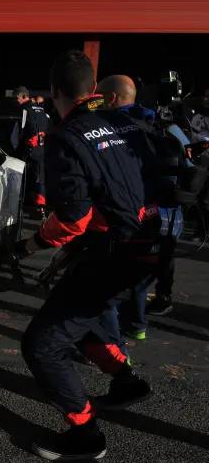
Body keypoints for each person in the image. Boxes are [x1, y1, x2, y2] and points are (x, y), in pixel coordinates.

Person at [0, 51, 164, 461]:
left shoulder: (66, 136)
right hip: (153, 244)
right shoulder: (124, 119)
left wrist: (25, 248)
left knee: (43, 344)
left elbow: (72, 219)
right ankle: (127, 381)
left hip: (116, 254)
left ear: (53, 91)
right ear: (93, 85)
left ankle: (86, 436)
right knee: (80, 317)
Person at [97, 75, 181, 323]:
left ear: (111, 98)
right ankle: (149, 312)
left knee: (115, 275)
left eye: (99, 97)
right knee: (152, 263)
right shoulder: (165, 125)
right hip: (169, 210)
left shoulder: (110, 125)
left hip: (132, 213)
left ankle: (114, 338)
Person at [14, 86, 51, 219]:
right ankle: (40, 208)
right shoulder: (42, 110)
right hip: (41, 148)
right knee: (39, 177)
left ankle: (18, 205)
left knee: (20, 175)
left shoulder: (24, 110)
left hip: (27, 148)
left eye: (16, 98)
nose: (16, 101)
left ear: (24, 96)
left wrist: (18, 147)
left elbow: (19, 132)